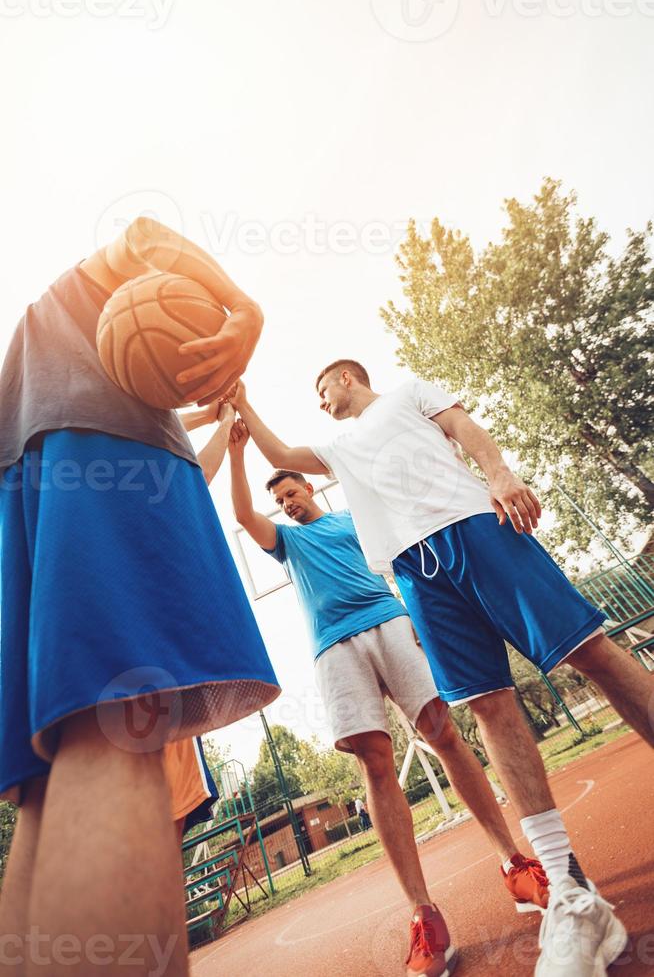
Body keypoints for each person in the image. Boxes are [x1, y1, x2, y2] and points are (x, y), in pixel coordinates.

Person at [229, 365, 654, 977]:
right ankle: (571, 893)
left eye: (323, 391)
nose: (321, 405)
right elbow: (279, 452)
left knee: (591, 654)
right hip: (415, 572)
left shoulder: (407, 394)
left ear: (347, 377)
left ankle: (548, 877)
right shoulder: (338, 451)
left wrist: (501, 473)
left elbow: (464, 426)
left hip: (475, 528)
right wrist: (242, 400)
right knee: (487, 705)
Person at [0, 218, 280, 977]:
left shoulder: (51, 369)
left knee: (49, 784)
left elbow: (186, 449)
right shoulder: (95, 350)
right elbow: (144, 232)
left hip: (26, 461)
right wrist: (241, 309)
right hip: (91, 424)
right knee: (121, 725)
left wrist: (214, 418)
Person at [228, 419, 549, 977]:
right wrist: (236, 453)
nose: (287, 503)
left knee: (444, 734)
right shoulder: (288, 542)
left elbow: (399, 565)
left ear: (308, 488)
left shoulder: (353, 522)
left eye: (292, 492)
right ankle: (424, 916)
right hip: (335, 648)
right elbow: (241, 517)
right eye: (280, 500)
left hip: (391, 623)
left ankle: (514, 861)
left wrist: (422, 622)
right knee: (375, 765)